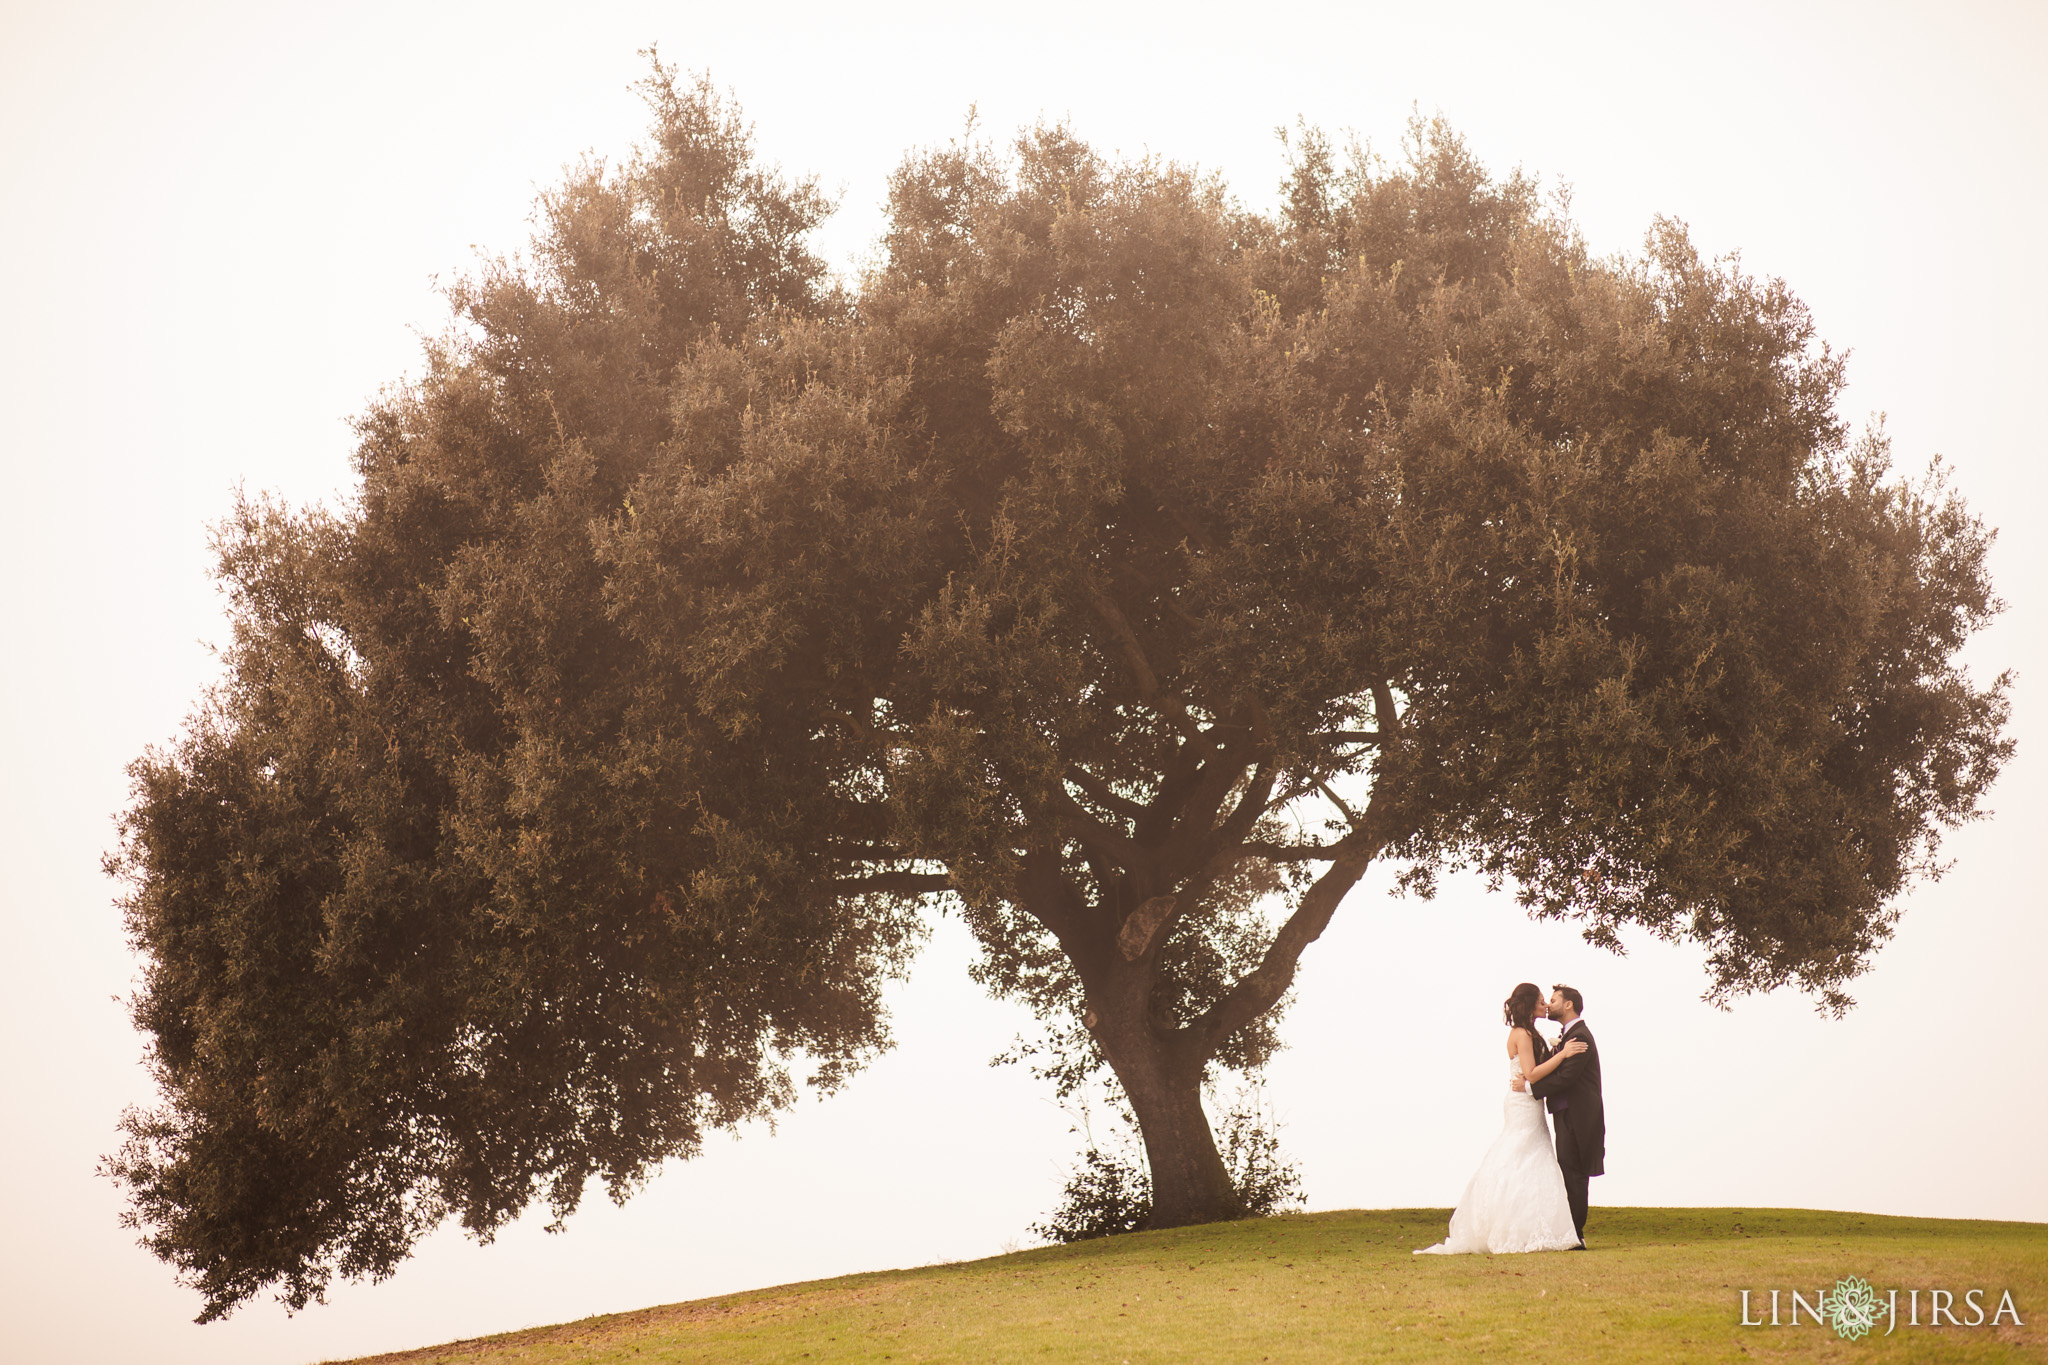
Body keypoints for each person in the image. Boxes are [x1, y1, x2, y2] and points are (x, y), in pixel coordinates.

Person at [1414, 983, 1587, 1255]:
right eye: (1542, 1001)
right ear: (1530, 1005)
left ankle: (1533, 1226)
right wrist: (1563, 1054)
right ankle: (1507, 1225)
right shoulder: (1521, 1034)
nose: (1545, 1005)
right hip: (1523, 1103)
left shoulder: (1530, 1032)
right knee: (1519, 1157)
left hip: (1530, 1102)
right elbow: (1531, 1074)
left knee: (1531, 1159)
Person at [1521, 984, 1603, 1248]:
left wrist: (1530, 1087)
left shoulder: (1580, 1037)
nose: (1549, 1005)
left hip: (1578, 1118)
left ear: (1568, 1005)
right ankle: (1570, 1233)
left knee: (1575, 1174)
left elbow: (1566, 1077)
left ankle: (1576, 1236)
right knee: (1569, 1172)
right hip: (1566, 1115)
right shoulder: (1570, 1036)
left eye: (1554, 1000)